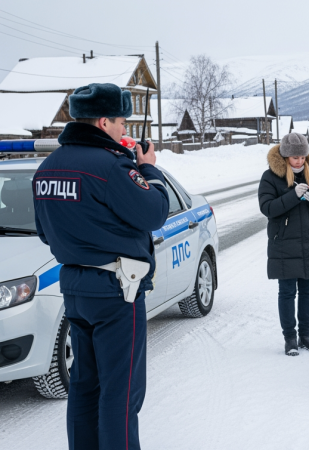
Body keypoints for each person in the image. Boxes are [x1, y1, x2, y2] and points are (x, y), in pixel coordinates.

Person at [32, 83, 170, 450]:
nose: (125, 129)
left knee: (83, 386)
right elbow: (155, 212)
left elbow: (46, 233)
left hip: (75, 289)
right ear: (104, 120)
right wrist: (148, 169)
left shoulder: (47, 168)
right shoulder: (111, 167)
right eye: (122, 121)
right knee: (120, 394)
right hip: (116, 292)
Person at [258, 132, 309, 356]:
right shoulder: (271, 177)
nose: (299, 161)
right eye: (295, 157)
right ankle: (290, 338)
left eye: (302, 156)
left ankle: (306, 336)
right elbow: (267, 208)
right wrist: (293, 196)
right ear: (285, 156)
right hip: (284, 245)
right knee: (287, 292)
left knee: (308, 291)